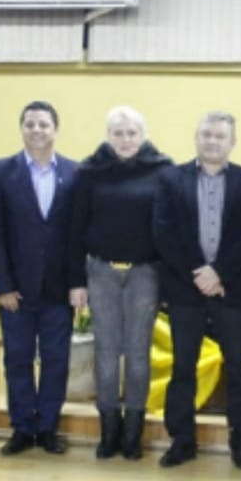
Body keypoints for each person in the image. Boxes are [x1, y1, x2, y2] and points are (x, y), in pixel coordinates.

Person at [152, 111, 241, 470]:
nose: (213, 141)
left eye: (220, 136)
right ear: (197, 137)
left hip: (231, 290)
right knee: (183, 368)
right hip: (185, 290)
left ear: (233, 142)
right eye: (207, 135)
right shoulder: (171, 179)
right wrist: (198, 273)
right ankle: (182, 441)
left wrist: (219, 272)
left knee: (239, 368)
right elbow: (164, 232)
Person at [68, 105, 173, 461]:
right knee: (107, 354)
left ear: (143, 135)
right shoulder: (89, 172)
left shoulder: (163, 170)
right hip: (102, 272)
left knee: (139, 354)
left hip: (145, 273)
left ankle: (133, 434)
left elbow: (170, 229)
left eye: (132, 133)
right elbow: (74, 231)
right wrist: (76, 281)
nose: (125, 139)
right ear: (107, 135)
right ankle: (108, 431)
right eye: (118, 133)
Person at [0, 100, 83, 456]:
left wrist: (78, 283)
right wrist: (3, 285)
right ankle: (23, 428)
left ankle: (48, 427)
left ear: (55, 129)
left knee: (56, 361)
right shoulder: (0, 172)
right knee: (17, 360)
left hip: (59, 289)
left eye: (43, 124)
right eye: (30, 124)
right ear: (22, 129)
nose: (37, 130)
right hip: (17, 291)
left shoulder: (75, 173)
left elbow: (78, 235)